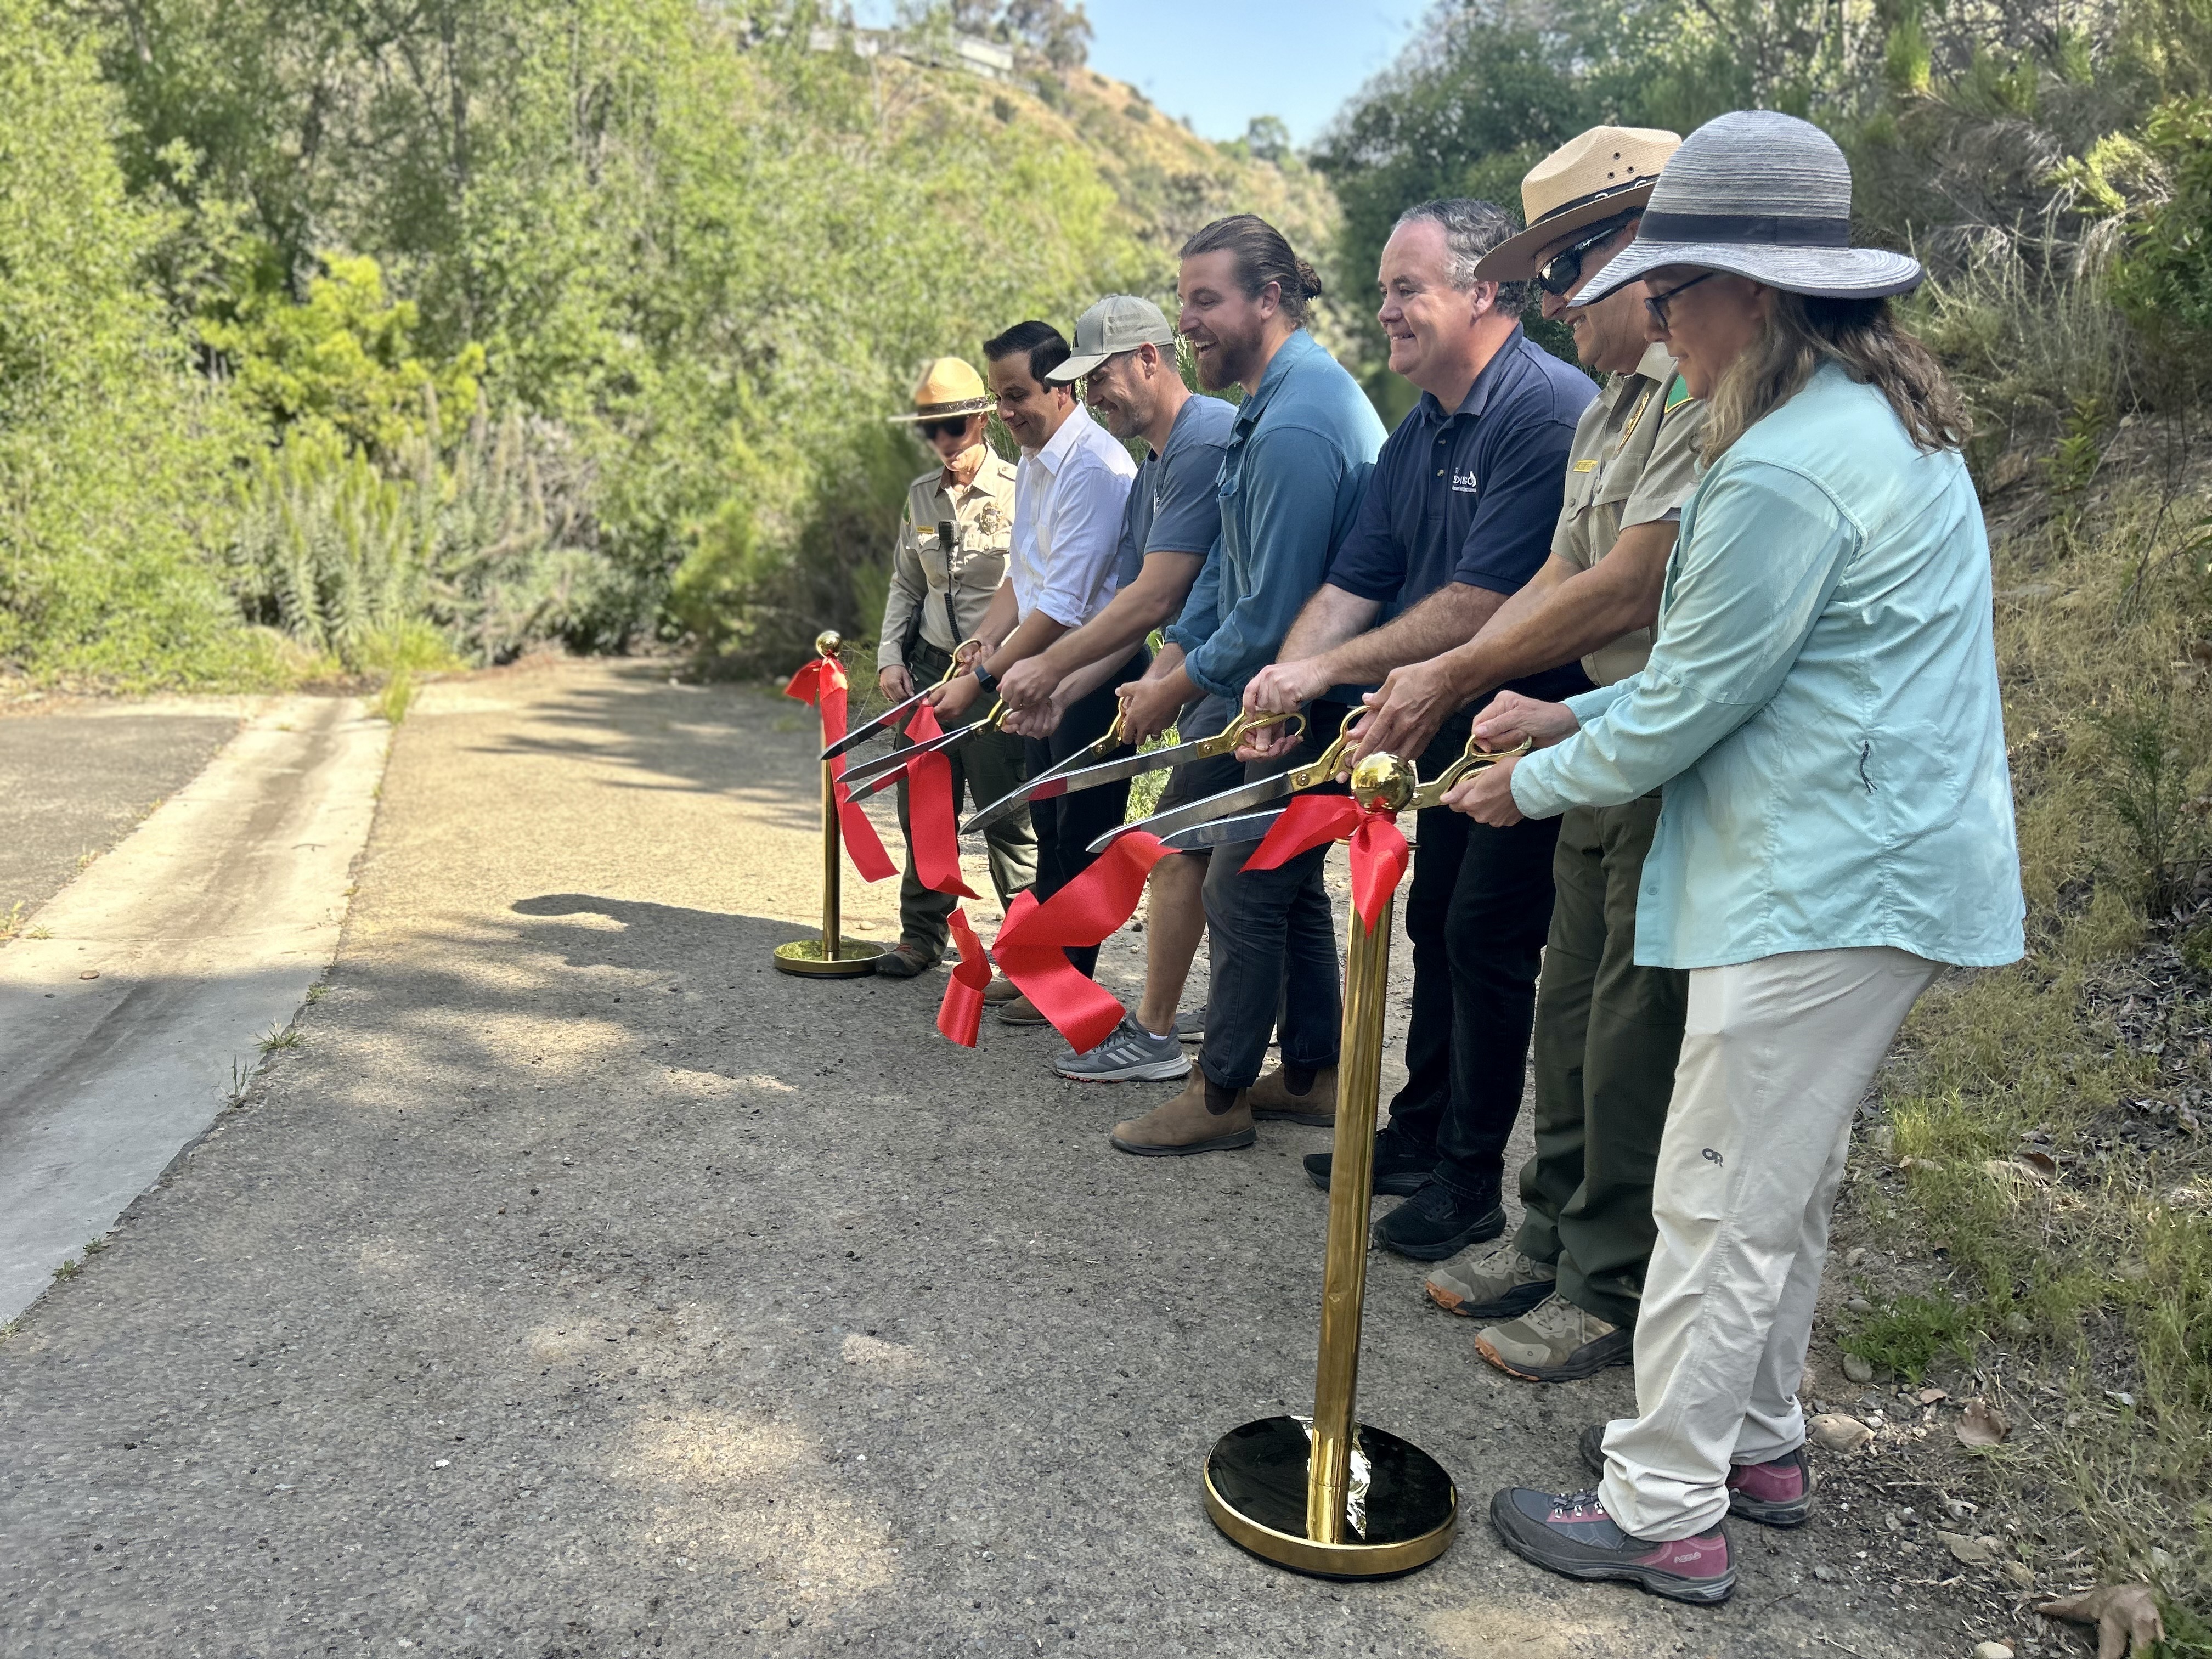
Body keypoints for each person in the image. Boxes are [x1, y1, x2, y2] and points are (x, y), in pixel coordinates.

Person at [1457, 110, 2023, 1606]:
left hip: (1820, 882)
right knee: (1780, 1185)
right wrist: (1569, 722)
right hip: (1872, 871)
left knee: (1713, 1198)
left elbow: (1695, 702)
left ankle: (1661, 1507)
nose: (1659, 321)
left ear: (1754, 295)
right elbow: (1746, 668)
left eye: (1673, 289)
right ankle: (1754, 1441)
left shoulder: (1783, 468)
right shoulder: (1866, 427)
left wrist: (1532, 779)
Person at [1348, 128, 1707, 1383]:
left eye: (1564, 270)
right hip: (1599, 731)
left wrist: (1449, 675)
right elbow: (1561, 571)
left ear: (1640, 248)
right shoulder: (1610, 407)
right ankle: (1549, 1233)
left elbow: (1628, 587)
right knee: (1569, 1011)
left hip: (1665, 747)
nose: (1550, 302)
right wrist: (1448, 679)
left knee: (1630, 1030)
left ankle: (1605, 1285)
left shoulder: (1695, 398)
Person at [1239, 198, 1596, 1255]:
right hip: (1446, 727)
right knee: (1434, 920)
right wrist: (1288, 680)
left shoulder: (1543, 410)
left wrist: (1322, 670)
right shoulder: (1418, 430)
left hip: (1536, 723)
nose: (1385, 309)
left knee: (1485, 938)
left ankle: (1470, 1178)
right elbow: (1358, 581)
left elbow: (1481, 602)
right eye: (1384, 288)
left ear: (1483, 290)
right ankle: (1422, 1129)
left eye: (1407, 287)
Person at [1106, 214, 1386, 1157]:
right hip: (1274, 686)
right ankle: (1311, 1074)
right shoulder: (1270, 403)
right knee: (1279, 881)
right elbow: (1230, 569)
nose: (1187, 321)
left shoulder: (1297, 421)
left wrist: (1176, 685)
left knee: (1246, 880)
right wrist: (1174, 663)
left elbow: (1271, 614)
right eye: (1182, 299)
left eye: (1204, 300)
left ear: (1269, 299)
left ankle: (1219, 1089)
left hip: (1317, 696)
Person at [992, 295, 1237, 1084]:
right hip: (1190, 676)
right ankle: (1256, 1033)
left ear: (1149, 358)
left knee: (1182, 857)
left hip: (1238, 682)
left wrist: (1049, 671)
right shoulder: (1153, 467)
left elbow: (1151, 600)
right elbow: (1131, 607)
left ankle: (1159, 1031)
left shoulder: (1201, 439)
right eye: (1085, 379)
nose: (1093, 393)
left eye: (1100, 376)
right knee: (1233, 874)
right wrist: (1062, 690)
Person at [933, 320, 1140, 1020]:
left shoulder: (1095, 468)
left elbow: (1064, 604)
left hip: (1095, 670)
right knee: (1047, 826)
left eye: (1017, 394)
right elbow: (1022, 580)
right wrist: (982, 643)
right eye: (999, 397)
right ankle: (1038, 971)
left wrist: (982, 682)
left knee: (1082, 836)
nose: (1005, 411)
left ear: (1061, 388)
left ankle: (1070, 986)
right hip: (1043, 667)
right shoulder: (1036, 460)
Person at [872, 357, 1036, 980]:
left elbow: (1039, 589)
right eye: (931, 430)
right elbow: (906, 583)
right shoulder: (921, 495)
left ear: (984, 420)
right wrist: (890, 657)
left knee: (1007, 816)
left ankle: (1028, 952)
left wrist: (1011, 668)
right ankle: (920, 936)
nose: (943, 440)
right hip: (930, 670)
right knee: (925, 810)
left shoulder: (1022, 488)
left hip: (996, 678)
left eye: (955, 426)